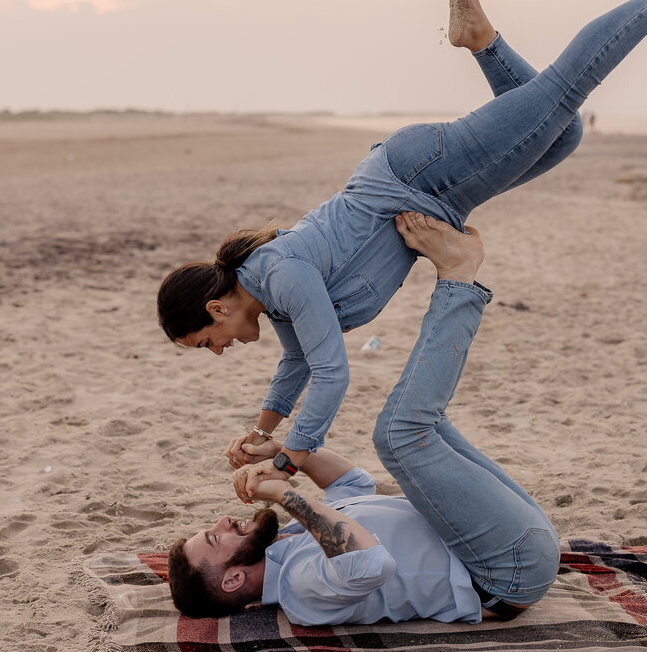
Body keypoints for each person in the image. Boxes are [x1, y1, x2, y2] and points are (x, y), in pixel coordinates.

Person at [156, 0, 647, 485]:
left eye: (204, 343)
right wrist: (261, 431)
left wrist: (288, 460)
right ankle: (481, 40)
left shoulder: (279, 277)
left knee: (567, 87)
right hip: (434, 189)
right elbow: (299, 366)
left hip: (424, 176)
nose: (217, 352)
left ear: (214, 310)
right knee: (564, 130)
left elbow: (331, 375)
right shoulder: (272, 298)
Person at [168, 218, 560, 623]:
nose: (222, 521)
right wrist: (285, 494)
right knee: (400, 434)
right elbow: (372, 565)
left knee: (420, 423)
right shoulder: (300, 590)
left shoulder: (291, 541)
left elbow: (352, 484)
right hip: (506, 572)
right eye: (215, 537)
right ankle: (458, 276)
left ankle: (455, 274)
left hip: (495, 538)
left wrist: (280, 451)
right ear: (232, 580)